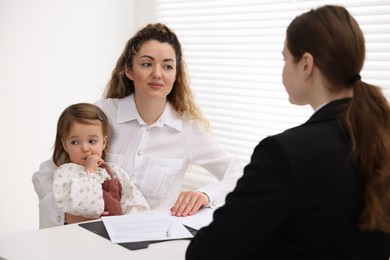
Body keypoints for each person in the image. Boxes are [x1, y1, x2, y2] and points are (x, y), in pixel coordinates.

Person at [186, 5, 390, 259]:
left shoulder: (285, 154)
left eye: (285, 58)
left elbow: (207, 252)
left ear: (306, 64)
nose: (283, 69)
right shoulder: (381, 136)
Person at [32, 23, 243, 225]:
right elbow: (44, 174)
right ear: (129, 71)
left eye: (167, 66)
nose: (157, 74)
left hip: (152, 241)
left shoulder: (187, 129)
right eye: (146, 64)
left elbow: (239, 174)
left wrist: (206, 195)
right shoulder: (103, 115)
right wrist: (67, 216)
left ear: (176, 75)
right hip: (94, 238)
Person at [52, 103, 150, 223]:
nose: (85, 148)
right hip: (83, 236)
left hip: (117, 232)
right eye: (75, 142)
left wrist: (130, 224)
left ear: (103, 142)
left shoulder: (114, 171)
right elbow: (88, 208)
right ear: (65, 145)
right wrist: (90, 172)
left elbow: (134, 202)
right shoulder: (65, 173)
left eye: (92, 141)